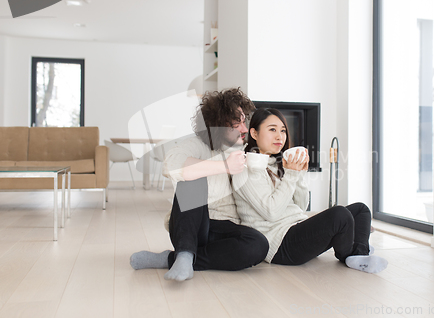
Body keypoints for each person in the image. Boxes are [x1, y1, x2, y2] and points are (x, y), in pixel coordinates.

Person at [130, 88, 269, 281]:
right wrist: (224, 166)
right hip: (193, 226)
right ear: (218, 125)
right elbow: (172, 165)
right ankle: (185, 253)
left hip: (225, 231)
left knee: (258, 244)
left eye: (244, 121)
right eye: (235, 124)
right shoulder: (200, 145)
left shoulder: (246, 149)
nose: (244, 129)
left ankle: (174, 259)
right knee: (191, 178)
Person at [232, 108, 388, 273]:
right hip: (280, 244)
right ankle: (354, 252)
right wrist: (292, 174)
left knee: (361, 210)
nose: (280, 136)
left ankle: (358, 253)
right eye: (272, 129)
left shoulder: (278, 163)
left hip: (297, 228)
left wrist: (299, 175)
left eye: (283, 130)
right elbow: (271, 212)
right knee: (340, 215)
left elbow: (301, 206)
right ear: (254, 133)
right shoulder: (245, 169)